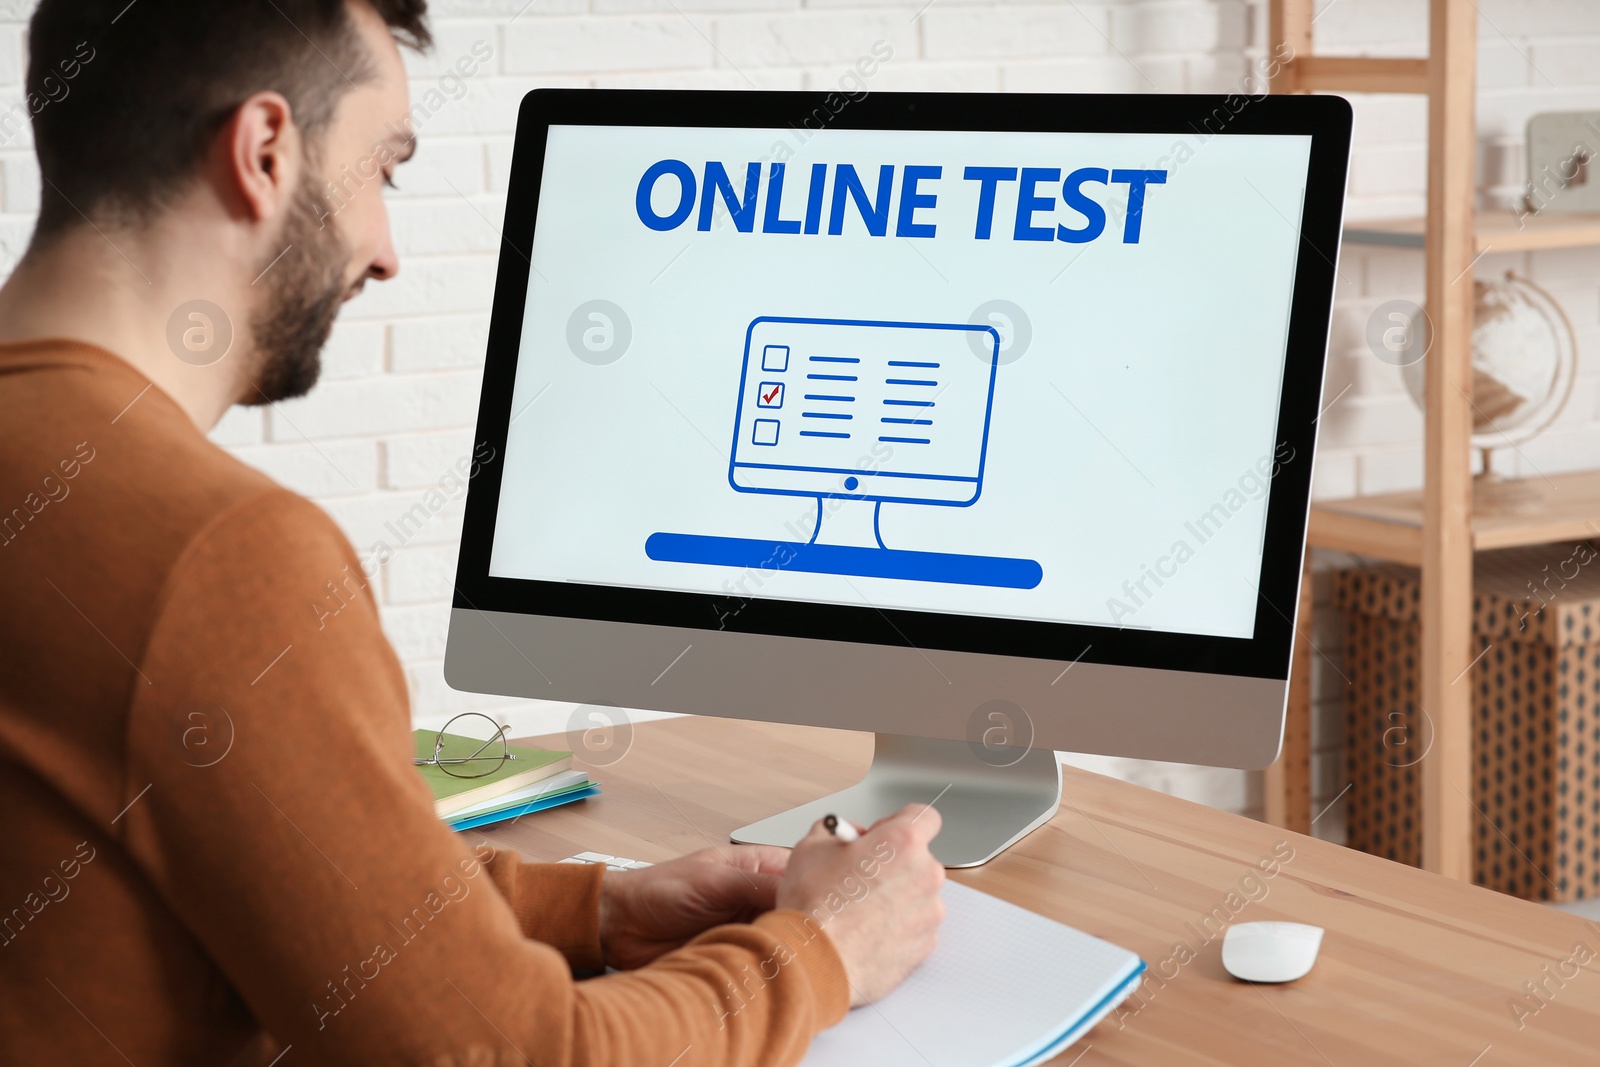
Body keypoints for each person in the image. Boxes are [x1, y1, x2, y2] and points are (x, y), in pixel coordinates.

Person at [0, 2, 947, 1064]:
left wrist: (593, 909)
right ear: (264, 152)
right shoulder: (213, 557)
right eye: (383, 171)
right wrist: (820, 946)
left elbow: (220, 866)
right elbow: (508, 1055)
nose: (386, 252)